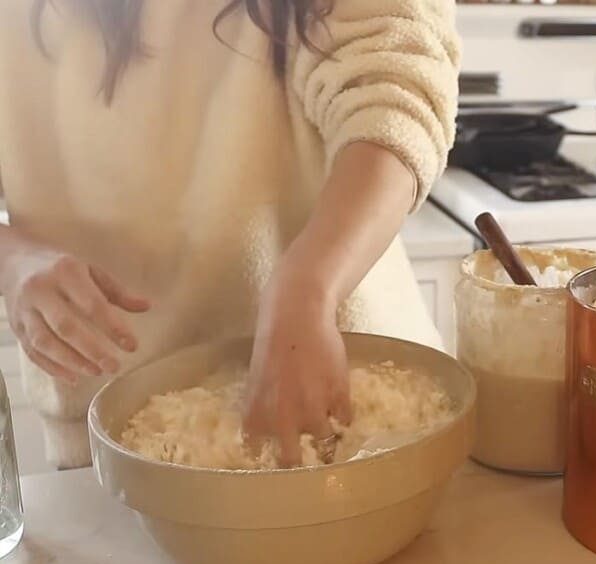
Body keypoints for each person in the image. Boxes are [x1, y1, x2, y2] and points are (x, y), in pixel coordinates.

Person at [0, 0, 459, 469]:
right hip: (110, 447)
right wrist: (11, 259)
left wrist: (309, 286)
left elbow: (396, 96)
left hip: (354, 417)